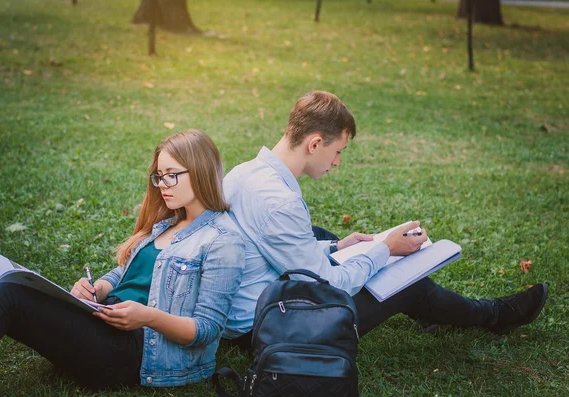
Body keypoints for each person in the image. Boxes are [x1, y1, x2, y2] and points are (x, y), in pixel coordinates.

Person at [222, 91, 547, 350]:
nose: (336, 163)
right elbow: (327, 284)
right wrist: (385, 250)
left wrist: (337, 246)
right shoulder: (281, 202)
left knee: (327, 237)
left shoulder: (245, 172)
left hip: (251, 301)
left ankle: (433, 310)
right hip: (269, 328)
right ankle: (492, 315)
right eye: (338, 152)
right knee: (404, 279)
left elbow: (273, 244)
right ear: (315, 143)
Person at [0, 129, 245, 388]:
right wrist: (99, 288)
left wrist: (147, 317)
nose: (162, 184)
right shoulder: (169, 223)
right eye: (159, 176)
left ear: (199, 171)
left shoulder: (222, 241)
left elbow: (207, 329)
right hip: (104, 320)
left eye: (171, 175)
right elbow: (126, 273)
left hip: (136, 351)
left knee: (10, 295)